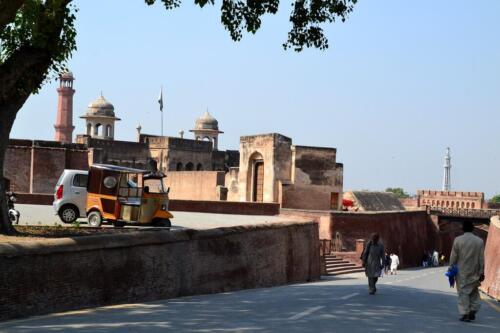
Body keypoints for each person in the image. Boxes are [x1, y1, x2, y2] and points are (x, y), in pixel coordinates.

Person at [449, 220, 485, 322]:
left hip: (462, 272)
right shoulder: (479, 241)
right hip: (475, 271)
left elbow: (453, 256)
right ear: (473, 228)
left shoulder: (458, 240)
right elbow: (481, 258)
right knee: (473, 291)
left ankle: (465, 313)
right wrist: (482, 272)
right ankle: (474, 309)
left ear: (462, 229)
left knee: (463, 293)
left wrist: (451, 268)